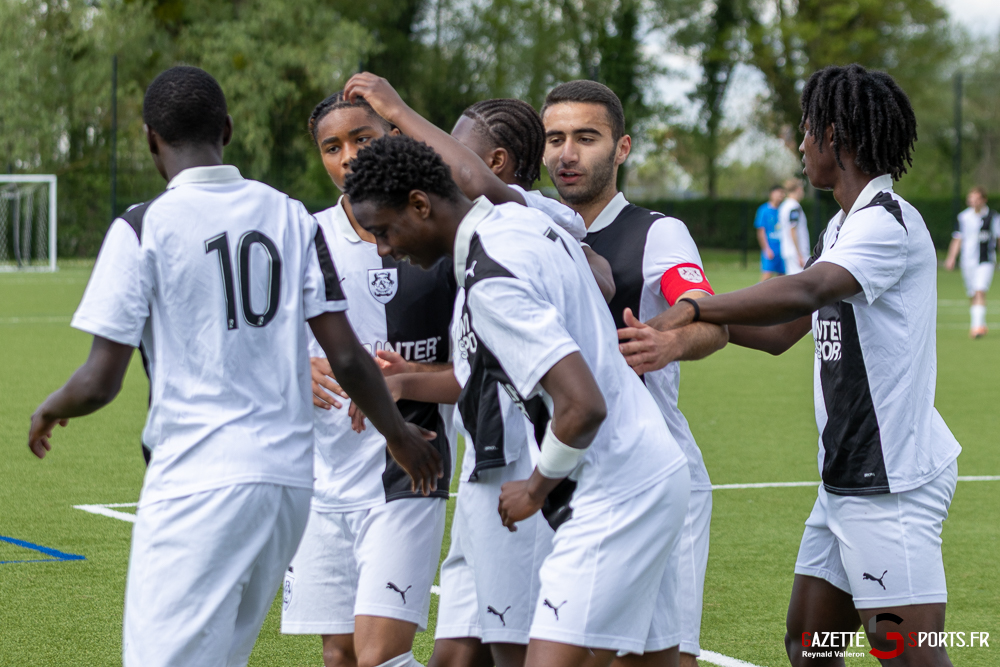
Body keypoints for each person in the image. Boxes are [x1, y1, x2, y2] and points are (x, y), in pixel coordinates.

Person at [26, 66, 442, 667]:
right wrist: (399, 434)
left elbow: (99, 380)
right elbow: (347, 354)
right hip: (288, 486)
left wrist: (51, 408)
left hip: (196, 479)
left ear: (150, 140)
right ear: (226, 129)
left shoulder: (144, 225)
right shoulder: (290, 216)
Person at [621, 64, 962, 667]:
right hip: (849, 477)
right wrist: (683, 334)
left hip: (891, 483)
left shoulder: (886, 221)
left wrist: (696, 304)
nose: (801, 147)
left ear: (834, 136)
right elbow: (782, 332)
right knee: (809, 647)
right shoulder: (842, 224)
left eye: (806, 133)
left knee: (912, 657)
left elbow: (807, 291)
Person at [343, 134, 691, 667]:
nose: (384, 249)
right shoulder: (516, 222)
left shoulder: (491, 278)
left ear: (420, 204)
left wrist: (533, 490)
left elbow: (582, 406)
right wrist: (408, 379)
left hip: (614, 492)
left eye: (385, 231)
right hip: (643, 470)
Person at [339, 74, 609, 667]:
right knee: (457, 656)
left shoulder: (517, 229)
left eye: (445, 151)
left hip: (543, 470)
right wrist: (408, 379)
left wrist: (399, 107)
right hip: (488, 471)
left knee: (575, 654)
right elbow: (475, 375)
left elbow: (583, 388)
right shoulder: (477, 259)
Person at [541, 79, 727, 667]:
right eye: (555, 139)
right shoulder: (526, 233)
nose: (567, 154)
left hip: (654, 473)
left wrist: (667, 343)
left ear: (621, 148)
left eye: (586, 138)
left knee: (656, 660)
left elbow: (711, 320)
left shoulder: (657, 233)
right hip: (562, 473)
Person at [279, 91, 456, 667]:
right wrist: (291, 367)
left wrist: (408, 381)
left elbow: (476, 366)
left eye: (363, 138)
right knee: (340, 655)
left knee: (379, 655)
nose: (349, 156)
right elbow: (251, 338)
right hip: (320, 473)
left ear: (393, 137)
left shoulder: (435, 236)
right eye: (333, 146)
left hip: (406, 467)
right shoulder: (303, 236)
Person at [944, 186, 999, 338]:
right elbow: (957, 239)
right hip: (967, 261)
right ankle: (980, 323)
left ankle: (976, 328)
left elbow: (998, 238)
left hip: (986, 260)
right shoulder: (964, 217)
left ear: (983, 200)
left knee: (979, 290)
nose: (973, 201)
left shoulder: (992, 217)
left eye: (976, 198)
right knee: (972, 293)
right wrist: (951, 258)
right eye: (971, 198)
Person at [778, 178, 810, 275]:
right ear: (798, 189)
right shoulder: (794, 207)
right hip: (796, 252)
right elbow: (793, 230)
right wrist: (799, 254)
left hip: (789, 250)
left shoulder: (784, 205)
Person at [755, 185, 786, 280]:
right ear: (772, 194)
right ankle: (757, 295)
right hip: (771, 249)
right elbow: (761, 231)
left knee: (782, 278)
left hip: (783, 250)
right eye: (778, 193)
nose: (780, 196)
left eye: (782, 194)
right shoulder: (764, 210)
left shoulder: (784, 209)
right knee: (766, 277)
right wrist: (766, 249)